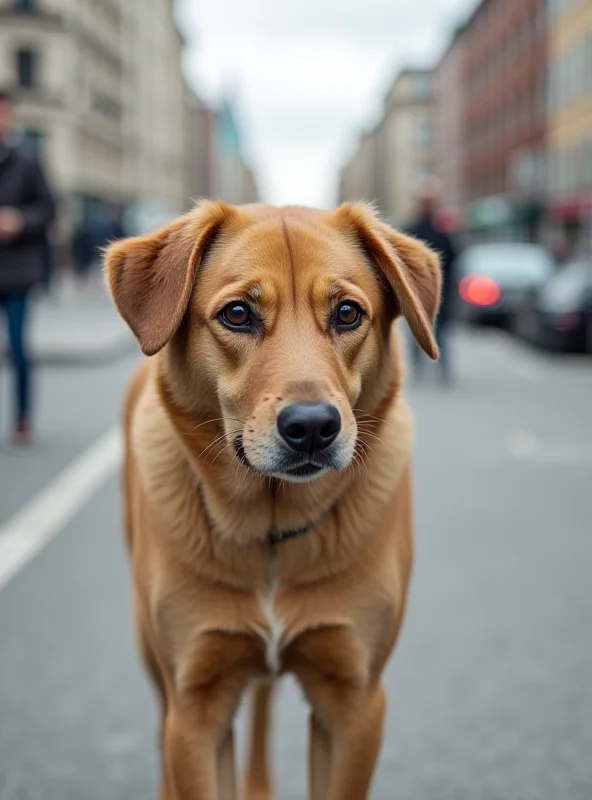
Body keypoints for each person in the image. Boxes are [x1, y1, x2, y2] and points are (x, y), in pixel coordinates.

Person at [0, 88, 55, 444]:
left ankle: (22, 418)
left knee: (19, 348)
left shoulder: (28, 160)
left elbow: (49, 208)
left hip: (17, 271)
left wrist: (19, 219)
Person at [406, 183, 457, 384]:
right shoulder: (432, 231)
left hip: (432, 293)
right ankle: (428, 369)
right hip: (424, 292)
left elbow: (451, 263)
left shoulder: (418, 230)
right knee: (425, 332)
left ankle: (438, 369)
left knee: (437, 333)